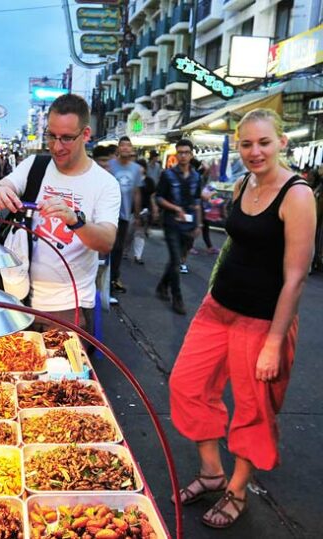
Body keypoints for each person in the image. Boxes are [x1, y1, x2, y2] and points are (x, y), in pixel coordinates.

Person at [169, 109, 315, 529]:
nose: (255, 152)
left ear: (281, 143)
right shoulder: (243, 183)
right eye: (247, 143)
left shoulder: (297, 195)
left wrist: (274, 340)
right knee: (188, 384)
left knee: (253, 409)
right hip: (219, 307)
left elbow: (296, 277)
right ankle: (212, 470)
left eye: (264, 142)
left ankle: (236, 490)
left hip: (263, 320)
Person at [0, 94, 120, 333]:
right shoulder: (35, 165)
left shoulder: (105, 183)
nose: (57, 146)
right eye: (51, 136)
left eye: (67, 138)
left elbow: (106, 241)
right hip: (16, 296)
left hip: (68, 306)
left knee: (62, 370)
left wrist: (75, 220)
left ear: (85, 134)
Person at [155, 139, 202, 315]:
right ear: (176, 154)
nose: (183, 156)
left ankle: (161, 286)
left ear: (191, 154)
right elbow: (159, 198)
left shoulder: (196, 176)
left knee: (178, 259)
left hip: (189, 224)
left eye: (186, 152)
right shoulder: (167, 175)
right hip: (171, 223)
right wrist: (176, 208)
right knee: (175, 260)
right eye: (180, 152)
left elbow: (197, 202)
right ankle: (177, 298)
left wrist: (199, 223)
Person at [107, 136, 143, 296]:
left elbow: (136, 193)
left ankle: (113, 279)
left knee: (118, 249)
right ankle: (101, 279)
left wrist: (137, 214)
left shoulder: (136, 169)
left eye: (129, 146)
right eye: (123, 146)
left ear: (132, 149)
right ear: (118, 148)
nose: (126, 148)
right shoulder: (110, 165)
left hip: (124, 215)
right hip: (108, 213)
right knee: (104, 247)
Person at [130, 159, 158, 265]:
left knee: (140, 234)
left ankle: (138, 256)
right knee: (128, 233)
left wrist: (154, 209)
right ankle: (124, 250)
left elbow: (152, 196)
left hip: (144, 210)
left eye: (140, 166)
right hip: (130, 210)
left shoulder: (149, 181)